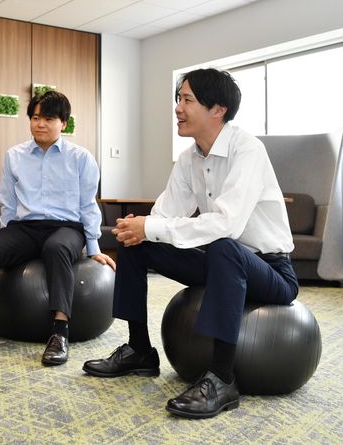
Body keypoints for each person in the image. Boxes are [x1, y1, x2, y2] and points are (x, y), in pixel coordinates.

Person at [82, 68, 298, 419]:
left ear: (218, 109)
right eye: (178, 99)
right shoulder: (188, 159)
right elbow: (165, 214)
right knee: (137, 243)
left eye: (187, 100)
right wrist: (138, 228)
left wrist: (152, 226)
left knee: (224, 244)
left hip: (270, 270)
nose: (178, 108)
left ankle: (222, 379)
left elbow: (228, 224)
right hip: (221, 264)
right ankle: (139, 350)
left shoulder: (248, 150)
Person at [0, 90, 115, 365]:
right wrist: (6, 239)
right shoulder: (14, 156)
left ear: (64, 123)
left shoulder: (81, 158)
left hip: (66, 228)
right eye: (35, 118)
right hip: (25, 228)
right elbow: (8, 202)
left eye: (49, 118)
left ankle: (60, 332)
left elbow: (87, 205)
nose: (40, 124)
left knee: (56, 248)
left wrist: (93, 247)